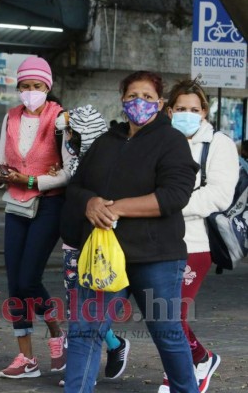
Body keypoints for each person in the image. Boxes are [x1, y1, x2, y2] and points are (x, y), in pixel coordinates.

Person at [60, 70, 200, 392]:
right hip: (103, 256)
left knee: (167, 334)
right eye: (133, 96)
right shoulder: (105, 142)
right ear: (123, 101)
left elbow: (174, 195)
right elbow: (76, 186)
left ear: (161, 104)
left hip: (155, 257)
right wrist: (91, 202)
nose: (140, 102)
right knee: (85, 331)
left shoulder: (171, 141)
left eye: (148, 97)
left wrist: (118, 207)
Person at [0, 56, 71, 379]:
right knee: (14, 283)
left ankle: (55, 330)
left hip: (49, 204)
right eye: (25, 86)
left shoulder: (60, 119)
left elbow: (69, 171)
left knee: (28, 279)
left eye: (36, 86)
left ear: (47, 87)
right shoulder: (10, 118)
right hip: (16, 205)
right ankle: (26, 358)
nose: (30, 92)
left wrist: (34, 181)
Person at [159, 78, 239, 393]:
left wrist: (167, 206)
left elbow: (219, 196)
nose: (187, 114)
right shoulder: (160, 140)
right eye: (180, 108)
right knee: (161, 313)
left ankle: (179, 376)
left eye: (194, 109)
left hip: (196, 242)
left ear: (204, 111)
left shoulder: (219, 144)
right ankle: (201, 359)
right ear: (169, 111)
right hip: (158, 241)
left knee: (171, 316)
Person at [55, 105, 130, 387]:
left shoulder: (101, 162)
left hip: (96, 245)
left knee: (87, 312)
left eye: (74, 131)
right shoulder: (71, 155)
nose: (69, 136)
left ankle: (97, 358)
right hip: (72, 243)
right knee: (76, 309)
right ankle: (94, 358)